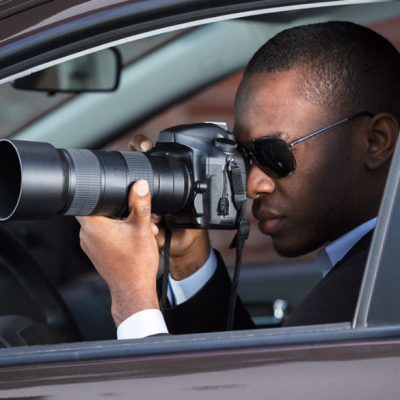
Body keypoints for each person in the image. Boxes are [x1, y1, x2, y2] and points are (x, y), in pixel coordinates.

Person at [77, 21, 400, 339]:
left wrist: (131, 297)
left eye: (275, 155)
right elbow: (247, 376)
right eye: (244, 156)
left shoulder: (375, 291)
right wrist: (188, 260)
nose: (253, 185)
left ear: (375, 140)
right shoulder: (374, 269)